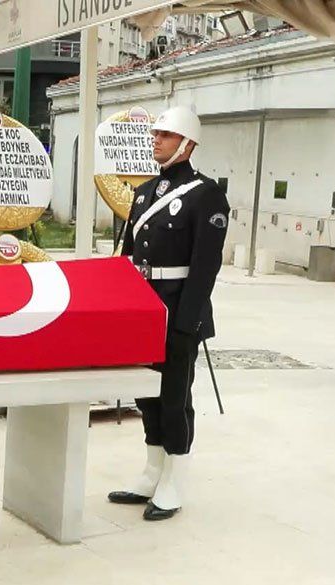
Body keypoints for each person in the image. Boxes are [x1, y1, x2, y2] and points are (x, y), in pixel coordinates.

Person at [107, 106, 228, 521]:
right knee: (146, 395)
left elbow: (206, 265)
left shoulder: (206, 194)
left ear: (187, 144)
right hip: (144, 309)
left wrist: (186, 322)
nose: (156, 140)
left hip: (178, 309)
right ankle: (152, 472)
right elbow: (128, 257)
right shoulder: (143, 193)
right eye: (155, 134)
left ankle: (174, 480)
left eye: (166, 135)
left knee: (174, 397)